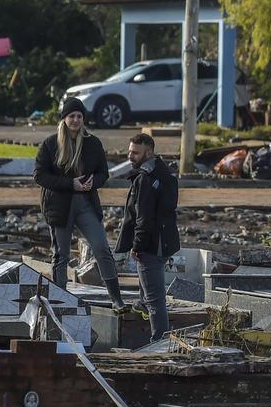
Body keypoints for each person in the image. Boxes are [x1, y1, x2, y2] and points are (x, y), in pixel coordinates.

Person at [33, 98, 127, 312]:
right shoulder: (50, 144)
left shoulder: (93, 143)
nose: (75, 120)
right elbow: (39, 175)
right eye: (71, 116)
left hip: (86, 204)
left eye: (79, 116)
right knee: (61, 254)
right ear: (64, 119)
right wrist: (69, 183)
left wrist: (95, 181)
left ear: (83, 119)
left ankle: (116, 298)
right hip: (59, 206)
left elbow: (104, 172)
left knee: (102, 247)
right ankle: (59, 299)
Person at [115, 133, 179, 340]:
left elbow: (144, 217)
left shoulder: (145, 178)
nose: (130, 156)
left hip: (151, 244)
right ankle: (140, 305)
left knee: (155, 300)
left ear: (149, 152)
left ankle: (159, 342)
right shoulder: (163, 172)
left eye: (135, 152)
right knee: (147, 295)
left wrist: (137, 245)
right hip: (165, 241)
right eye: (129, 151)